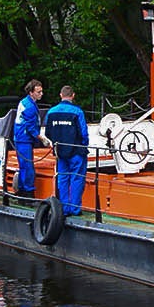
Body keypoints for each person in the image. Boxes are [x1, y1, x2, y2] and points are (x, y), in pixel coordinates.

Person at [44, 85, 90, 216]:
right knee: (77, 178)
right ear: (73, 95)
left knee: (62, 178)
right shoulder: (77, 112)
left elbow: (48, 132)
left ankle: (63, 208)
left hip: (60, 152)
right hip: (76, 152)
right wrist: (83, 145)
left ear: (60, 95)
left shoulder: (51, 112)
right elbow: (83, 133)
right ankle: (75, 208)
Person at [12, 79, 49, 196]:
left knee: (24, 166)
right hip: (24, 139)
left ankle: (22, 191)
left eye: (41, 91)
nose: (41, 94)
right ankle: (28, 192)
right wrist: (42, 138)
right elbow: (30, 127)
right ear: (31, 92)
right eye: (38, 92)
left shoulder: (26, 102)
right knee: (28, 167)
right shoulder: (29, 107)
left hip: (21, 138)